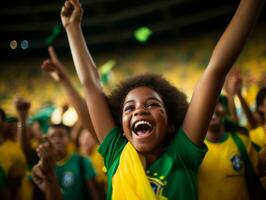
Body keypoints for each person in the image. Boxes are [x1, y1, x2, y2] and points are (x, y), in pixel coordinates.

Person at [37, 0, 265, 199]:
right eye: (129, 108)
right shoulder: (117, 153)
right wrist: (72, 28)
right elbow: (91, 84)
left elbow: (216, 69)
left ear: (172, 123)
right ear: (122, 130)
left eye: (152, 104)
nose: (139, 111)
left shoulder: (182, 155)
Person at [198, 96, 266, 200]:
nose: (213, 108)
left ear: (225, 110)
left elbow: (260, 171)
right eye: (207, 104)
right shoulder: (194, 149)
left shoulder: (243, 142)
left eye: (217, 103)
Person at [32, 123, 101, 200]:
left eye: (61, 136)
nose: (57, 140)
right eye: (52, 137)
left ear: (69, 138)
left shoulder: (82, 161)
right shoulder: (43, 166)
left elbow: (95, 194)